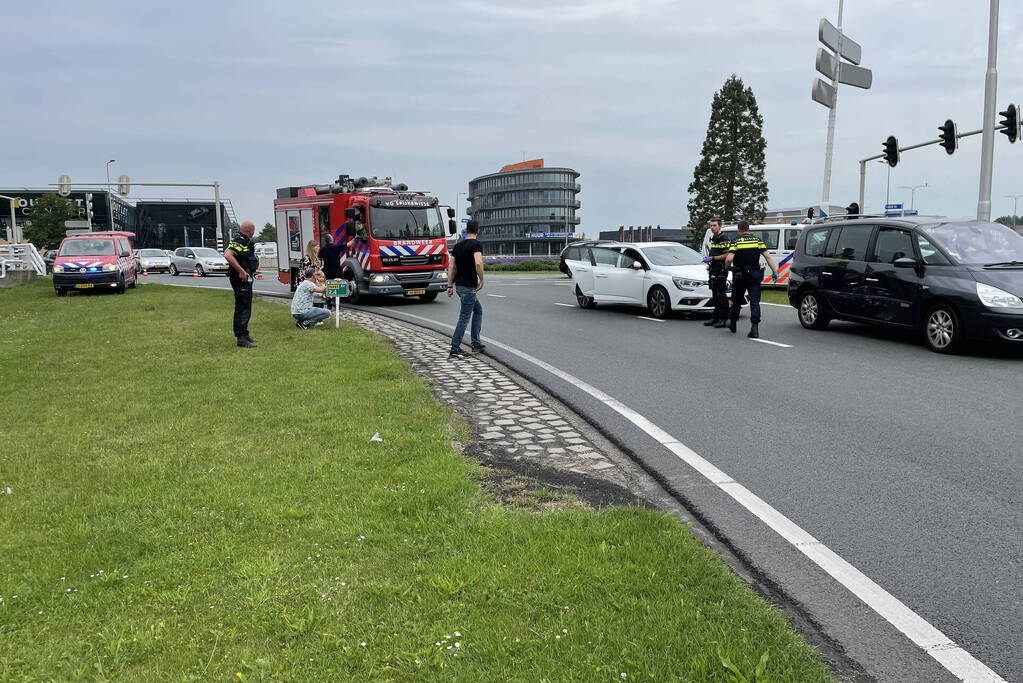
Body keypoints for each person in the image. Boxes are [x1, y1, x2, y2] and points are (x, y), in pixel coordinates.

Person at [725, 220, 778, 339]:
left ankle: (732, 323)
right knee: (754, 301)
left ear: (738, 230)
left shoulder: (736, 242)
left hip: (739, 276)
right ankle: (754, 328)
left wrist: (728, 268)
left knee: (736, 300)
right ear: (749, 229)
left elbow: (729, 258)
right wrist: (775, 271)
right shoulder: (758, 241)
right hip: (754, 275)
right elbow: (768, 257)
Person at [447, 220, 485, 360]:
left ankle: (476, 343)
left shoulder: (457, 246)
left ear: (466, 230)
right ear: (477, 230)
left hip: (459, 285)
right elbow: (478, 263)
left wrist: (450, 285)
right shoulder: (476, 244)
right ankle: (454, 348)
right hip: (469, 286)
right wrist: (481, 280)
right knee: (463, 318)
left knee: (478, 310)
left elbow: (451, 267)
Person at [224, 221, 259, 348]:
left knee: (246, 306)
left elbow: (245, 258)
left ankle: (244, 333)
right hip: (240, 279)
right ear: (250, 230)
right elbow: (228, 255)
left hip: (245, 278)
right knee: (242, 308)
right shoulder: (239, 241)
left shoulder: (245, 241)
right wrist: (241, 271)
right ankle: (241, 337)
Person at [701, 218, 731, 328]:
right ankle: (715, 317)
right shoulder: (714, 238)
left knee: (721, 295)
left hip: (721, 270)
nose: (712, 227)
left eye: (714, 225)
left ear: (720, 226)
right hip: (714, 270)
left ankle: (724, 319)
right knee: (715, 295)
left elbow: (727, 255)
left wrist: (712, 258)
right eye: (711, 226)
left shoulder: (724, 238)